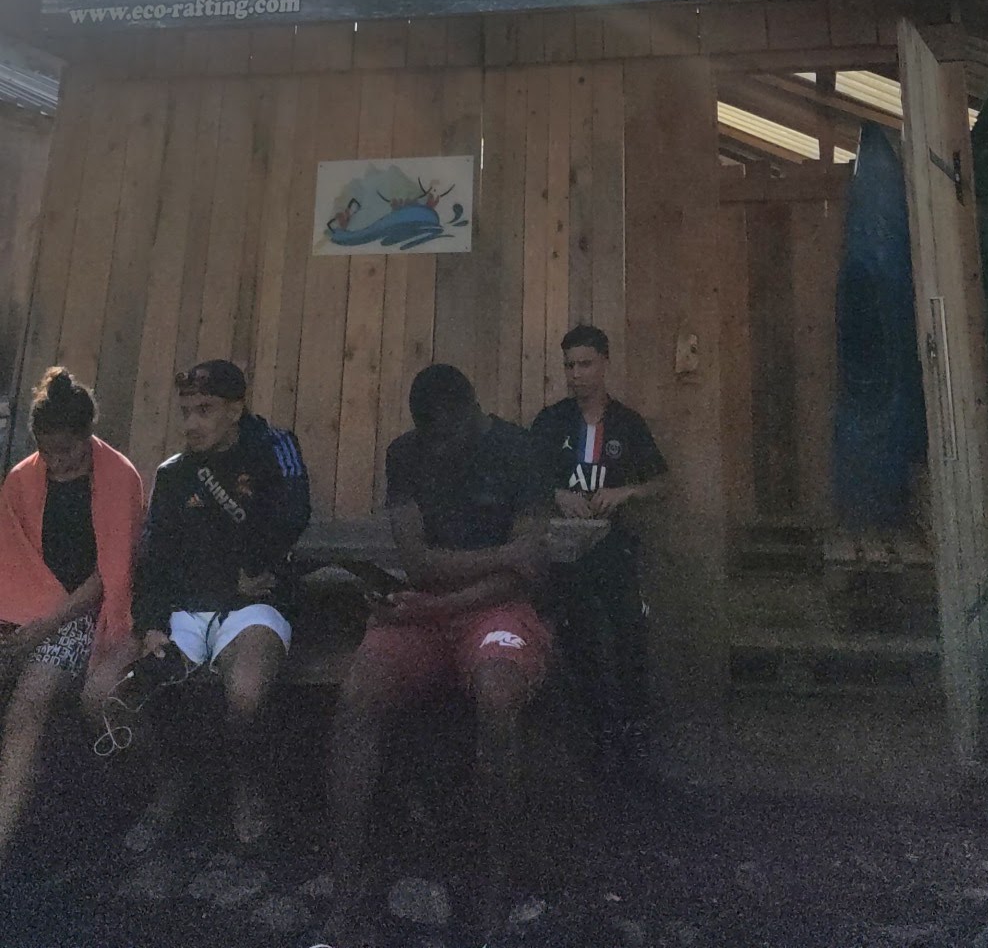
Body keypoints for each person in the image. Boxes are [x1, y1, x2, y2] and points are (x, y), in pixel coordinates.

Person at [327, 364, 550, 948]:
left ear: (474, 410)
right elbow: (419, 563)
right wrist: (503, 554)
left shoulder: (521, 450)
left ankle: (496, 883)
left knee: (497, 693)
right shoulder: (405, 454)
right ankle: (347, 883)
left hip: (487, 608)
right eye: (432, 436)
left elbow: (527, 573)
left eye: (451, 433)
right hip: (422, 607)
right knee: (358, 693)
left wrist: (442, 598)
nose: (442, 447)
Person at [129, 359, 310, 850]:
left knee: (245, 696)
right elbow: (154, 561)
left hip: (253, 608)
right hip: (187, 609)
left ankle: (247, 791)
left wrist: (248, 566)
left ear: (235, 410)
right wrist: (151, 625)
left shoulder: (274, 449)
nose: (192, 423)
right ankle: (170, 784)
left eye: (205, 410)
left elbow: (291, 519)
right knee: (119, 693)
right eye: (186, 411)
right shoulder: (173, 475)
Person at [0, 366, 144, 870]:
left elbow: (110, 573)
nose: (58, 463)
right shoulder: (22, 479)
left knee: (30, 701)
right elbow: (11, 563)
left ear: (88, 435)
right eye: (49, 452)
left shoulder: (119, 478)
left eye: (69, 452)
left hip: (84, 613)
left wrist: (44, 626)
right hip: (21, 611)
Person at [530, 324, 668, 766]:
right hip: (563, 553)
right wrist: (557, 494)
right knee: (577, 634)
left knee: (629, 628)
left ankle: (634, 724)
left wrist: (625, 492)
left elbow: (663, 483)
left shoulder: (627, 423)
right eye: (569, 365)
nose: (576, 374)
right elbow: (524, 478)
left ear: (604, 364)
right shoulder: (550, 422)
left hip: (615, 547)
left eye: (585, 364)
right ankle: (592, 725)